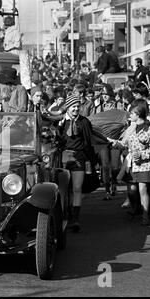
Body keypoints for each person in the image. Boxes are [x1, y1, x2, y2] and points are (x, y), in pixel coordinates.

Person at [110, 99, 150, 226]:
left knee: (143, 189)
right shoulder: (130, 129)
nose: (129, 115)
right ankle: (137, 209)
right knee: (131, 190)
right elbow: (123, 144)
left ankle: (146, 215)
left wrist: (141, 154)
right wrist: (114, 143)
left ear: (138, 113)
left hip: (145, 164)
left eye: (131, 113)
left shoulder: (149, 130)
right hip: (132, 164)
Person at [58, 95, 98, 233]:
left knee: (76, 188)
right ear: (68, 108)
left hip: (79, 157)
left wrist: (92, 161)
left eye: (77, 106)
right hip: (63, 157)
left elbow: (89, 143)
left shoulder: (84, 122)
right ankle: (63, 215)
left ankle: (75, 219)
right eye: (73, 106)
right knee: (63, 188)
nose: (76, 109)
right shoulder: (61, 122)